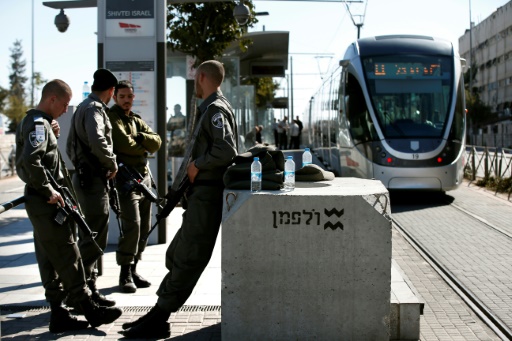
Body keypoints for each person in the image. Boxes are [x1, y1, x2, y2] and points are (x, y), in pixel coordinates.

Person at [121, 60, 237, 338]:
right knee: (176, 254)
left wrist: (198, 163)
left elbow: (227, 150)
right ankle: (159, 311)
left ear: (203, 77)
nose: (194, 83)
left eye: (196, 78)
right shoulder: (209, 108)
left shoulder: (215, 109)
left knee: (188, 257)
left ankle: (160, 317)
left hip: (207, 195)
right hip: (199, 195)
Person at [15, 79, 122, 333]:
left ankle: (58, 313)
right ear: (52, 99)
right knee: (67, 253)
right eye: (64, 104)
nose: (65, 110)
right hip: (47, 202)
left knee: (49, 257)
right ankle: (89, 309)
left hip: (42, 201)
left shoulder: (37, 123)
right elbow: (32, 161)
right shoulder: (39, 124)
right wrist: (48, 189)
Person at [66, 68, 119, 309]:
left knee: (90, 235)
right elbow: (98, 140)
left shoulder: (82, 107)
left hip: (85, 178)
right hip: (93, 182)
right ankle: (78, 290)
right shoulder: (95, 109)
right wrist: (111, 163)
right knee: (95, 237)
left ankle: (88, 289)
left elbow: (69, 146)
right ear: (110, 91)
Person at [108, 80, 162, 293]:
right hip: (126, 180)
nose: (126, 101)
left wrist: (139, 137)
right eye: (122, 97)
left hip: (144, 180)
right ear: (115, 97)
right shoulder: (113, 118)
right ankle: (124, 273)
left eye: (129, 97)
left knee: (144, 228)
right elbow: (124, 145)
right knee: (132, 225)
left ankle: (134, 268)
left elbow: (156, 142)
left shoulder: (136, 120)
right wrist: (143, 147)